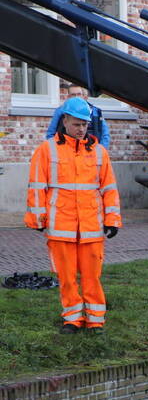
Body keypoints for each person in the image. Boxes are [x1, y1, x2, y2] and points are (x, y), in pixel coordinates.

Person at [25, 97, 122, 335]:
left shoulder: (99, 152)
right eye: (77, 124)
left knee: (92, 276)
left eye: (85, 124)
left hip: (91, 226)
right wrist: (37, 219)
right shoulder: (46, 150)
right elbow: (37, 186)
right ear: (65, 120)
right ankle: (72, 319)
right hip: (61, 225)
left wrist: (112, 220)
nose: (81, 129)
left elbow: (109, 189)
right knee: (66, 278)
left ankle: (95, 320)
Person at [46, 83, 110, 148]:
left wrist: (100, 151)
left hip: (91, 150)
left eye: (79, 94)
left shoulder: (95, 112)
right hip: (67, 150)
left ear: (83, 96)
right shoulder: (60, 111)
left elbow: (105, 135)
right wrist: (57, 150)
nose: (76, 97)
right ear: (68, 97)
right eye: (73, 95)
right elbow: (51, 134)